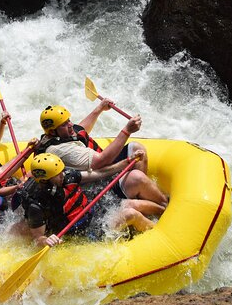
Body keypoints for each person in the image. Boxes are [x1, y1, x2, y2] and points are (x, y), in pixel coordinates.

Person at [35, 102, 167, 216]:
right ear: (53, 132)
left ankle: (142, 199)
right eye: (64, 124)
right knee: (136, 177)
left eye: (68, 120)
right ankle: (163, 204)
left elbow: (81, 130)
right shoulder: (60, 150)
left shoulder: (61, 134)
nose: (70, 125)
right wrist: (127, 130)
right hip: (96, 185)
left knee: (136, 147)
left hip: (100, 170)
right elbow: (101, 161)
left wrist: (100, 108)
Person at [20, 153, 155, 248]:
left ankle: (164, 210)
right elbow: (38, 238)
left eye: (61, 170)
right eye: (57, 174)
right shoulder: (36, 205)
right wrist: (46, 240)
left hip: (94, 213)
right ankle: (157, 236)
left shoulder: (67, 176)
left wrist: (126, 161)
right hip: (83, 233)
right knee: (130, 214)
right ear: (45, 181)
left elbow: (100, 173)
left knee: (132, 204)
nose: (63, 174)